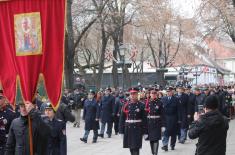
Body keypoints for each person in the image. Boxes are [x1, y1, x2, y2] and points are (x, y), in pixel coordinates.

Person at [119, 87, 147, 155]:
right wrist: (121, 131)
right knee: (131, 148)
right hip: (128, 129)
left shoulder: (141, 105)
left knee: (136, 148)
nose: (132, 95)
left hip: (137, 129)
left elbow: (144, 120)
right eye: (131, 94)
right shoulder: (126, 105)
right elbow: (122, 119)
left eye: (134, 94)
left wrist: (145, 132)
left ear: (137, 94)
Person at [145, 87, 164, 155]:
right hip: (149, 123)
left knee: (156, 139)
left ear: (157, 94)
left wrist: (163, 125)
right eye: (152, 93)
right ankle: (153, 152)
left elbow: (163, 114)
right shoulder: (147, 102)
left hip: (157, 123)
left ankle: (155, 153)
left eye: (155, 93)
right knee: (151, 139)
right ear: (149, 94)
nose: (153, 94)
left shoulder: (159, 102)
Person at [161, 86, 180, 151]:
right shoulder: (163, 98)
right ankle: (165, 145)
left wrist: (179, 119)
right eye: (167, 91)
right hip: (166, 117)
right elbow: (161, 110)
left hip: (173, 118)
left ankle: (172, 145)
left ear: (172, 92)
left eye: (170, 91)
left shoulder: (176, 99)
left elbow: (178, 110)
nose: (168, 93)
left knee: (173, 133)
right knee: (165, 132)